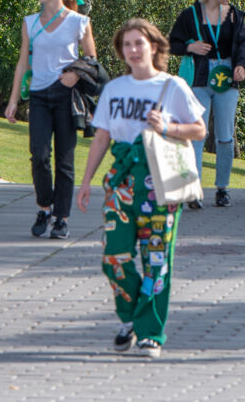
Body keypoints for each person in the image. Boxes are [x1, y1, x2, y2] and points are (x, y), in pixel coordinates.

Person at [76, 19, 206, 359]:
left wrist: (170, 126)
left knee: (156, 260)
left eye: (139, 43)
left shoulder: (173, 86)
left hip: (159, 181)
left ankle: (150, 333)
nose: (133, 50)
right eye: (126, 45)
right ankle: (130, 315)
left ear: (154, 46)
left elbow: (199, 130)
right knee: (113, 256)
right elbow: (102, 135)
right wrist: (87, 180)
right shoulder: (114, 88)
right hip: (121, 182)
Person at [6, 0, 95, 240]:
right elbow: (23, 62)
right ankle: (44, 207)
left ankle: (62, 218)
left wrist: (74, 73)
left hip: (66, 96)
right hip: (39, 94)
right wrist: (12, 101)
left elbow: (92, 61)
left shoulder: (79, 22)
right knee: (40, 155)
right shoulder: (29, 22)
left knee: (64, 160)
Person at [167, 0, 245, 208]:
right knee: (196, 135)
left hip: (227, 78)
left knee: (225, 136)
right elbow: (171, 43)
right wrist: (189, 48)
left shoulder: (235, 16)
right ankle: (194, 190)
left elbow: (244, 43)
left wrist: (242, 66)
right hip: (198, 79)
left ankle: (222, 188)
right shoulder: (190, 15)